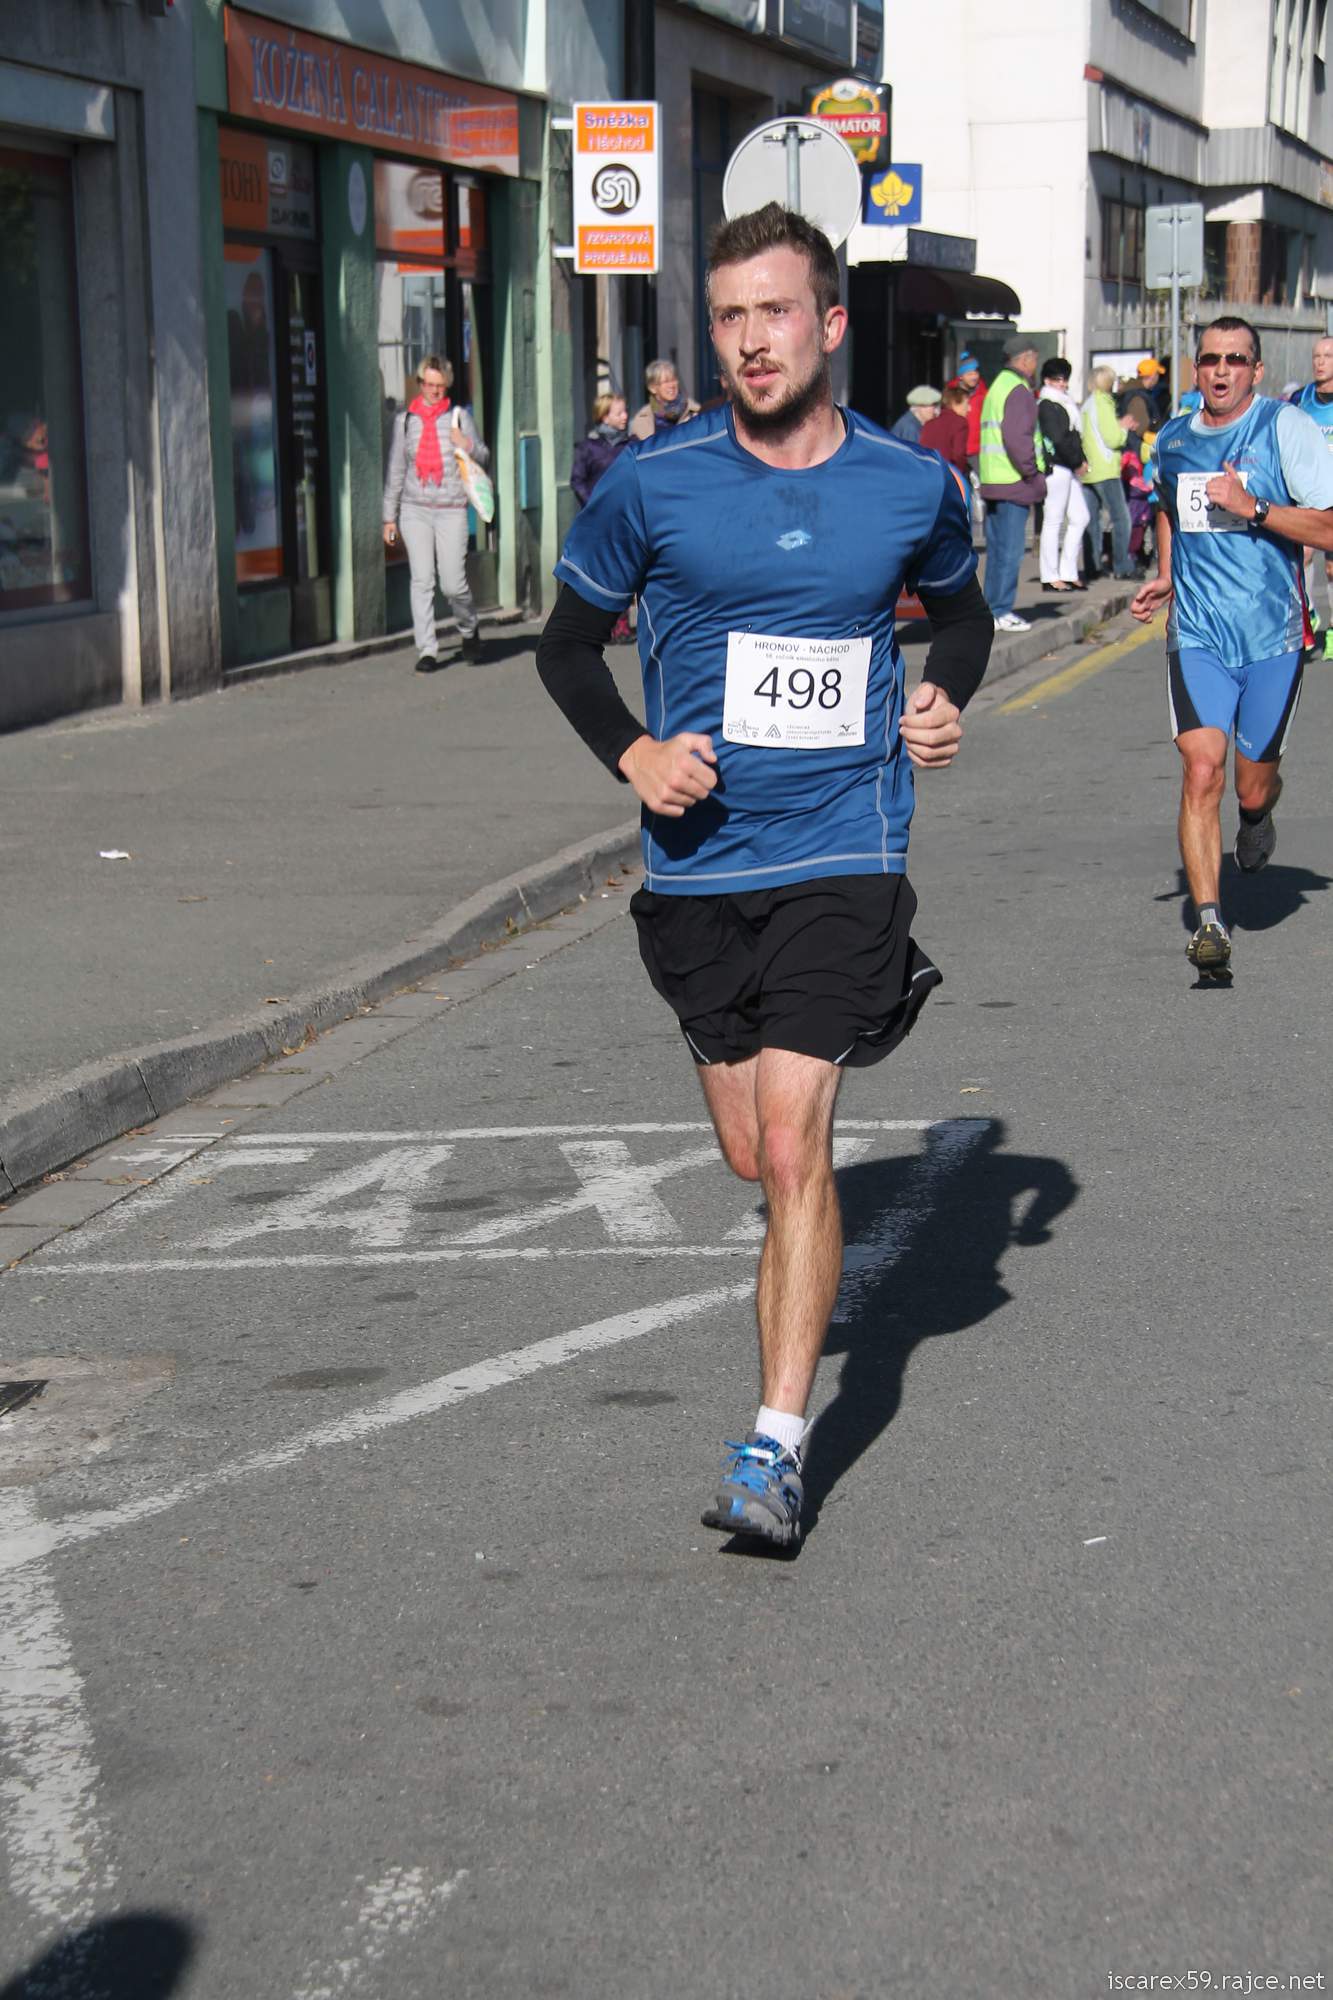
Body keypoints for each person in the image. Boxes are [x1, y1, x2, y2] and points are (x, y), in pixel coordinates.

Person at [534, 201, 993, 1550]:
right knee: (749, 1150)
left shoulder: (906, 482)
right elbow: (564, 644)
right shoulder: (652, 482)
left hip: (847, 843)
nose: (750, 338)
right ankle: (787, 1312)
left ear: (829, 323)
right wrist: (632, 751)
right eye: (729, 315)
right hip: (698, 865)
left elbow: (961, 615)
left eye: (775, 310)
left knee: (795, 1144)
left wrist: (941, 698)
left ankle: (776, 1447)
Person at [1130, 315, 1333, 974]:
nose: (1222, 370)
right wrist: (1166, 573)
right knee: (1200, 770)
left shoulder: (1284, 429)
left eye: (1235, 359)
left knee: (1249, 787)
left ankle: (1255, 815)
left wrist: (1255, 508)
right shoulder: (1174, 439)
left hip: (1273, 635)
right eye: (1211, 359)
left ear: (1256, 369)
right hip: (1198, 633)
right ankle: (1210, 923)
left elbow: (1329, 527)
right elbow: (1167, 506)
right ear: (1196, 368)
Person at [382, 355, 489, 673]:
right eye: (428, 384)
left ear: (448, 385)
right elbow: (396, 470)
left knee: (453, 584)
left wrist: (466, 443)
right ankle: (427, 649)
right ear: (420, 384)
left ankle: (469, 629)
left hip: (451, 510)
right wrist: (389, 517)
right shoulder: (405, 421)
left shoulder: (459, 417)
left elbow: (483, 455)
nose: (433, 390)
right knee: (422, 580)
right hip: (414, 510)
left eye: (439, 385)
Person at [978, 332, 1047, 632]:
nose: (1036, 365)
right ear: (1026, 359)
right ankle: (1001, 609)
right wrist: (1032, 473)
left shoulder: (998, 386)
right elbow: (1018, 439)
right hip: (1013, 481)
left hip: (994, 480)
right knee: (1010, 551)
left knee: (997, 550)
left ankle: (992, 608)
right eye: (1034, 359)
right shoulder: (1018, 390)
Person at [571, 393, 633, 644]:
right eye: (619, 412)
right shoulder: (589, 447)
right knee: (601, 574)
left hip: (626, 518)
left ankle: (622, 626)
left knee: (624, 572)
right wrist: (594, 505)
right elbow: (577, 481)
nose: (625, 416)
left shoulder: (632, 445)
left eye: (625, 411)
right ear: (604, 416)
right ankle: (600, 627)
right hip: (598, 521)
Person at [1293, 334, 1333, 658]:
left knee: (1332, 569)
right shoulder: (1300, 398)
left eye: (1328, 356)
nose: (1320, 362)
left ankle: (1332, 631)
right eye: (1316, 356)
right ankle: (1307, 616)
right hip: (1309, 493)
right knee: (1303, 555)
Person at [1036, 357, 1090, 592]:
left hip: (1068, 466)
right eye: (1058, 379)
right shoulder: (1047, 404)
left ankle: (1068, 571)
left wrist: (1080, 460)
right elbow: (1058, 439)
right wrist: (1077, 461)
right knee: (1053, 520)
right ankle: (1049, 575)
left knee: (1080, 517)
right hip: (1056, 467)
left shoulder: (1063, 402)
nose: (1063, 384)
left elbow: (1073, 436)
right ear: (1047, 380)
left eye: (1065, 379)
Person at [1081, 364, 1138, 578]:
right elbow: (1112, 439)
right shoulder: (1103, 403)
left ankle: (1093, 565)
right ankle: (1122, 566)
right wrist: (1123, 428)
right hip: (1105, 468)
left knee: (1092, 521)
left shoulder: (1088, 404)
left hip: (1089, 469)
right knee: (1121, 518)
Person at [629, 359, 700, 440]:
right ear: (652, 388)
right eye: (666, 382)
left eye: (673, 380)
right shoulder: (642, 419)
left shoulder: (694, 412)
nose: (671, 385)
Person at [918, 382, 971, 472]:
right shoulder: (960, 423)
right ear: (954, 404)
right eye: (966, 404)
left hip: (928, 471)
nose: (969, 409)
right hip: (948, 473)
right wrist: (959, 474)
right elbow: (959, 454)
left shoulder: (929, 424)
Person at [1121, 356, 1166, 434]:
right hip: (1141, 441)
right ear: (1153, 376)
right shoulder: (1138, 397)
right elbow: (1141, 426)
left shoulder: (1131, 391)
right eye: (1158, 374)